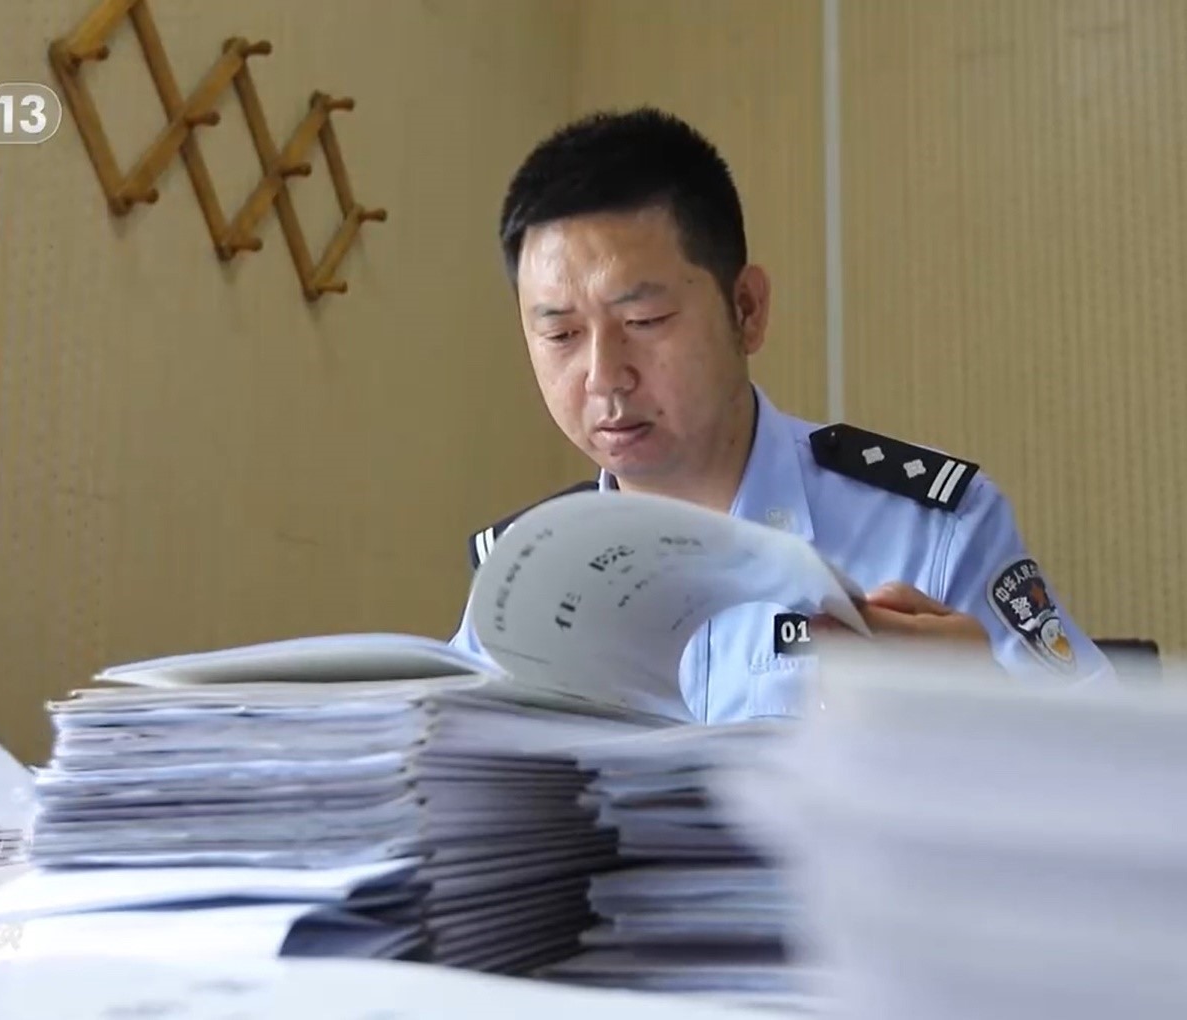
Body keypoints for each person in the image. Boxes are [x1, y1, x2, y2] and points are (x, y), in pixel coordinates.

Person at [449, 107, 1115, 722]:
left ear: (746, 309)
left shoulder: (930, 532)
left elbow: (1114, 770)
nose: (603, 376)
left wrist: (989, 712)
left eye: (643, 320)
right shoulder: (524, 574)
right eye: (560, 335)